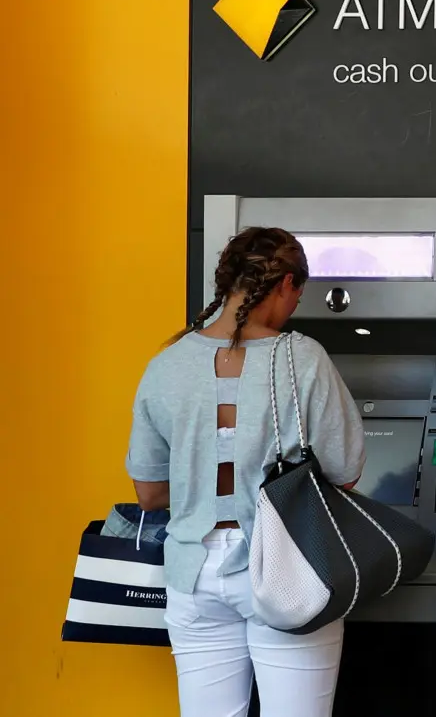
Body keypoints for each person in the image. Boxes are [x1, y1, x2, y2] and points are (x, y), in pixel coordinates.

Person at [124, 227, 367, 717]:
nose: (295, 307)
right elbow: (345, 472)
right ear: (285, 285)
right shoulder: (303, 359)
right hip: (289, 564)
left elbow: (149, 493)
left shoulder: (166, 364)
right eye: (298, 294)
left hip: (194, 573)